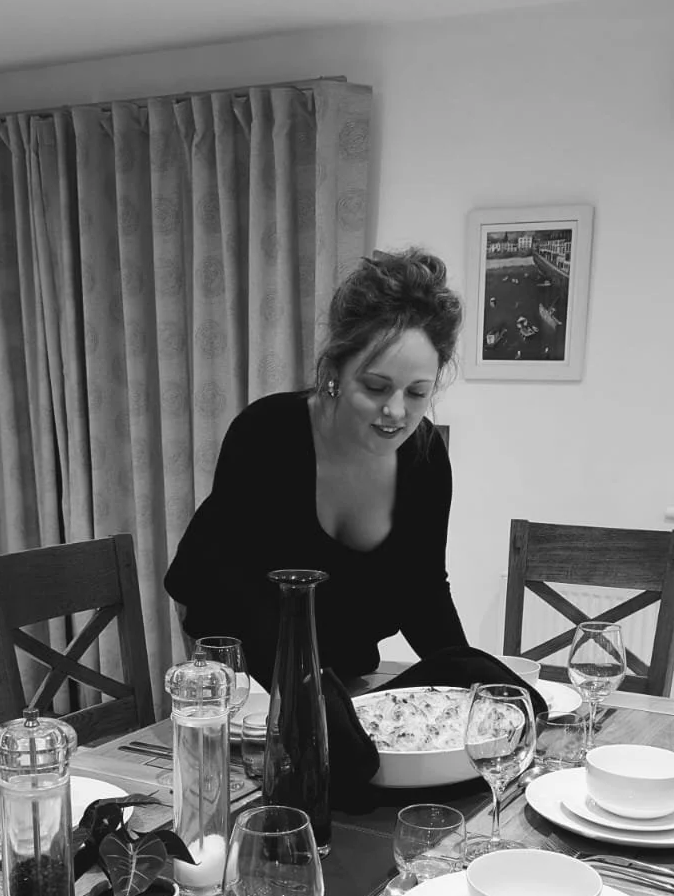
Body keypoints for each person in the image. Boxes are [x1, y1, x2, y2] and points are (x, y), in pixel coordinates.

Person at [165, 247, 466, 687]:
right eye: (375, 386)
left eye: (418, 392)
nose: (396, 412)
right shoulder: (267, 434)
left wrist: (471, 685)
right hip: (237, 657)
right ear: (336, 372)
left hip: (342, 673)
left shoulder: (424, 458)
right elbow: (232, 589)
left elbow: (422, 591)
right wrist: (294, 701)